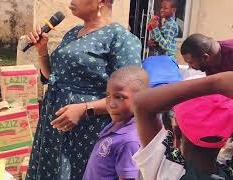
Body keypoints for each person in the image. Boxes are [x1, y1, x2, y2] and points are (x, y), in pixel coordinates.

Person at [25, 0, 142, 179]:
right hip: (55, 125)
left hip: (86, 132)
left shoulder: (120, 38)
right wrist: (42, 51)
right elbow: (53, 78)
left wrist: (84, 109)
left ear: (101, 2)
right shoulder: (73, 33)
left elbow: (131, 97)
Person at [131, 71, 233, 179]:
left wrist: (215, 84)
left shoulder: (167, 169)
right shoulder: (228, 171)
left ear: (177, 131)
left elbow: (141, 102)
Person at [83, 66, 149, 180]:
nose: (111, 104)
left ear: (141, 99)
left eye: (120, 97)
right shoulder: (116, 124)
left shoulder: (129, 141)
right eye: (108, 95)